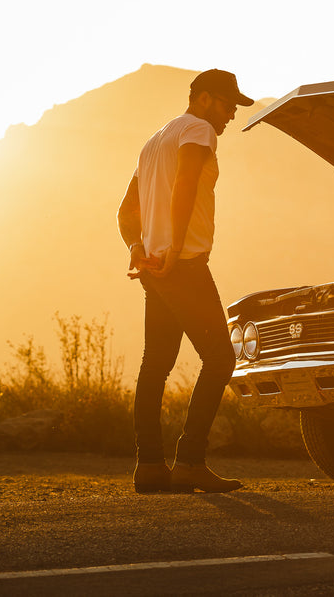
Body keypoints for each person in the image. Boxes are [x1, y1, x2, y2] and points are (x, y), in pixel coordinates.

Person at [117, 69, 254, 493]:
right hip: (183, 266)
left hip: (154, 269)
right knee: (220, 359)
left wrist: (136, 246)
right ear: (205, 98)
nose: (232, 113)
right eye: (229, 103)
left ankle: (150, 467)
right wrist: (176, 247)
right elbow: (187, 184)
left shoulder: (154, 140)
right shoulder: (197, 131)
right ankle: (191, 461)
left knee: (154, 365)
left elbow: (126, 211)